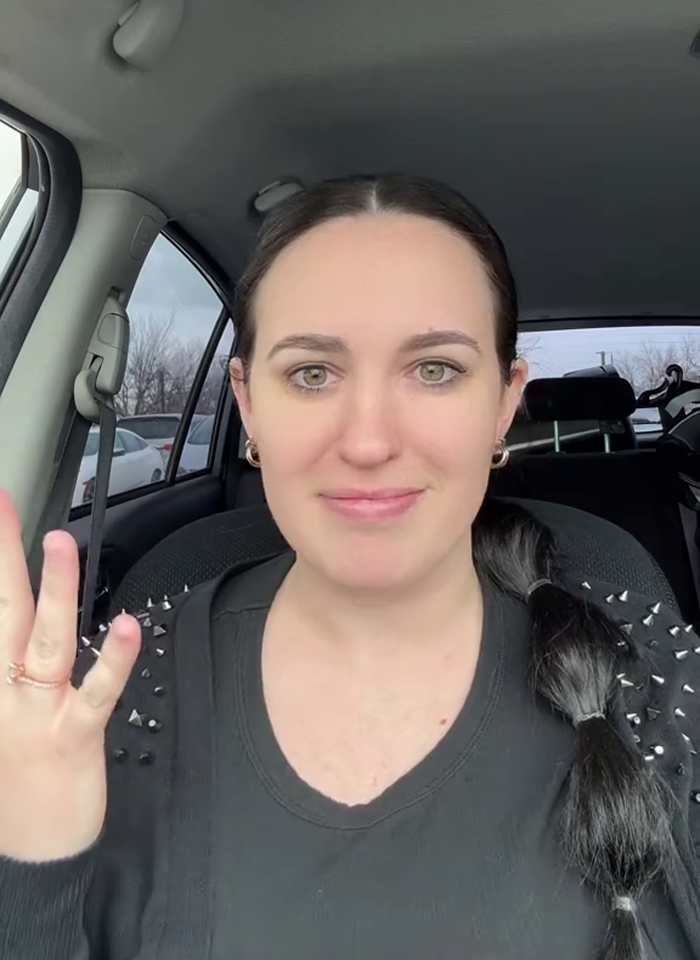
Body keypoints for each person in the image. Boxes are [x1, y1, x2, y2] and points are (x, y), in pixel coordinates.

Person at [0, 173, 699, 960]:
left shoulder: (662, 683)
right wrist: (32, 865)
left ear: (504, 404)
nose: (368, 442)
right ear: (249, 400)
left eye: (434, 369)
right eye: (311, 373)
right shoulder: (96, 704)